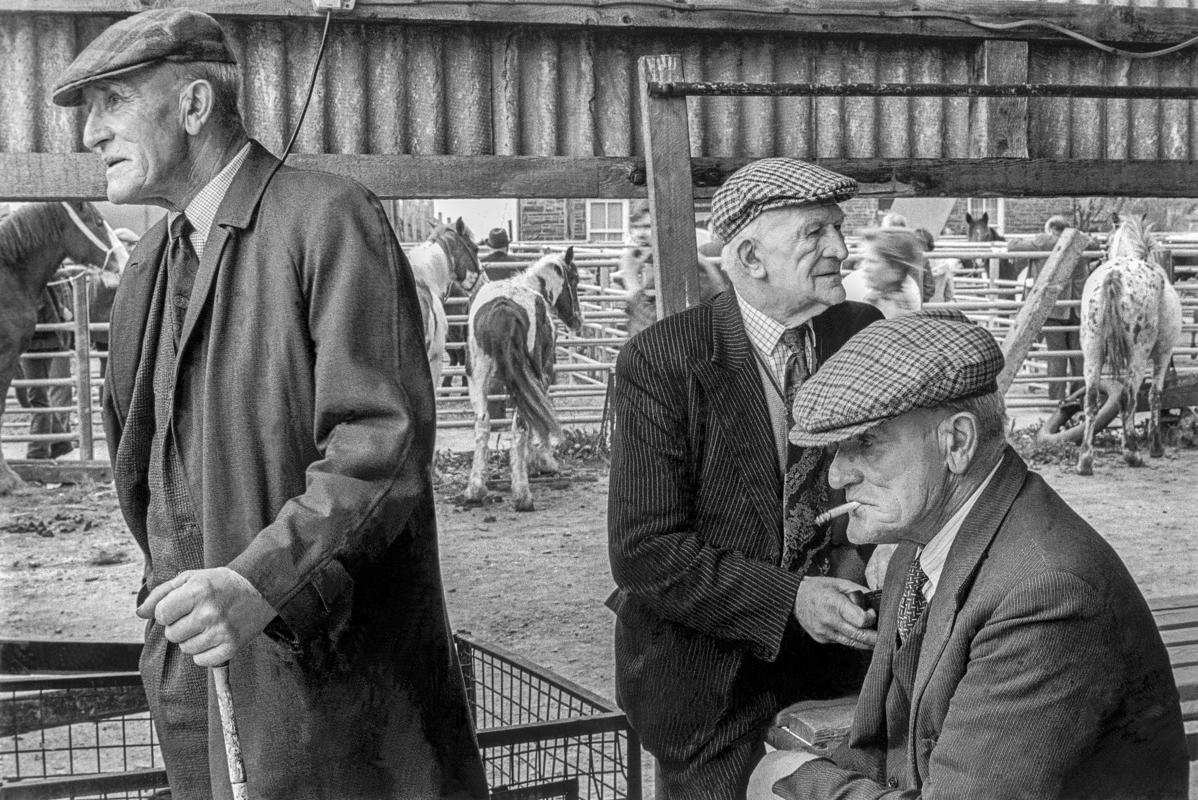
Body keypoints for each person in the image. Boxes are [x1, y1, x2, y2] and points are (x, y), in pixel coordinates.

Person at [53, 9, 487, 799]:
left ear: (193, 105)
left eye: (111, 102)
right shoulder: (148, 264)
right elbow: (144, 464)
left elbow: (380, 445)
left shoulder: (326, 217)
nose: (89, 134)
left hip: (325, 681)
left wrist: (261, 582)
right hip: (200, 671)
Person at [749, 311, 1188, 799]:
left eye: (865, 443)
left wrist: (795, 781)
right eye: (835, 451)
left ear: (956, 442)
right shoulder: (924, 543)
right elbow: (890, 746)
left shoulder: (1046, 594)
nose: (835, 477)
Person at [608, 157, 885, 799]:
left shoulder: (860, 332)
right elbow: (644, 552)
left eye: (838, 230)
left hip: (841, 671)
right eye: (815, 233)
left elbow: (888, 476)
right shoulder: (664, 359)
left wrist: (863, 555)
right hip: (712, 692)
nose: (840, 249)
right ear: (753, 258)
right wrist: (790, 599)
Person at [1008, 215, 1090, 402]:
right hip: (1078, 307)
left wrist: (1034, 238)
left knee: (1056, 356)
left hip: (1053, 308)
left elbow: (1012, 245)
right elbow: (1096, 246)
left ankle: (1057, 401)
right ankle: (1079, 399)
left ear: (1050, 229)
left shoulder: (1043, 242)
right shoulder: (1080, 241)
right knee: (1079, 357)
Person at [16, 282, 74, 459]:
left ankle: (37, 452)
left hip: (38, 341)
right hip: (37, 340)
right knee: (30, 395)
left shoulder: (34, 276)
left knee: (36, 396)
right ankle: (60, 442)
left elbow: (36, 308)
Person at [842, 227, 924, 319]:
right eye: (863, 260)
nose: (862, 268)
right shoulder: (876, 299)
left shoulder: (893, 312)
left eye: (872, 261)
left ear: (896, 271)